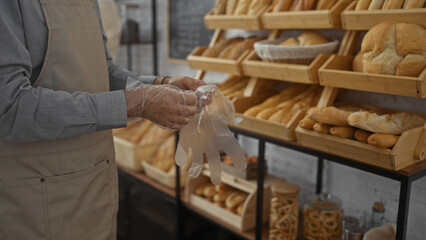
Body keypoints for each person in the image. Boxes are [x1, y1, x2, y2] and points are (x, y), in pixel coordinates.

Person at [0, 1, 205, 239]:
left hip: (97, 186)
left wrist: (159, 84)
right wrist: (137, 102)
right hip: (39, 198)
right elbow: (10, 107)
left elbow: (104, 71)